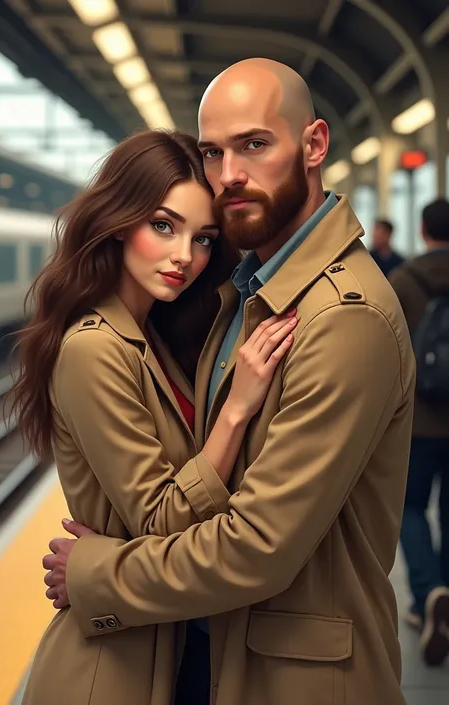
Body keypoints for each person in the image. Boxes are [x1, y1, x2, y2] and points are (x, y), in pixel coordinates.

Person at [44, 59, 416, 705]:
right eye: (213, 152)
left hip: (294, 677)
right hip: (213, 656)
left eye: (254, 144)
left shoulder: (341, 317)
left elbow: (257, 547)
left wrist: (97, 575)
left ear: (314, 144)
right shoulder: (246, 299)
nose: (229, 175)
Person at [11, 129, 298, 705]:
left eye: (204, 239)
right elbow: (163, 516)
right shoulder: (95, 348)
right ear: (118, 221)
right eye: (163, 226)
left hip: (160, 647)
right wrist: (236, 409)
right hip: (110, 669)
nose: (184, 257)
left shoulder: (153, 338)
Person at [389, 198, 449, 666]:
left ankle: (428, 591)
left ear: (425, 231)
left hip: (418, 422)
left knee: (409, 507)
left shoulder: (404, 280)